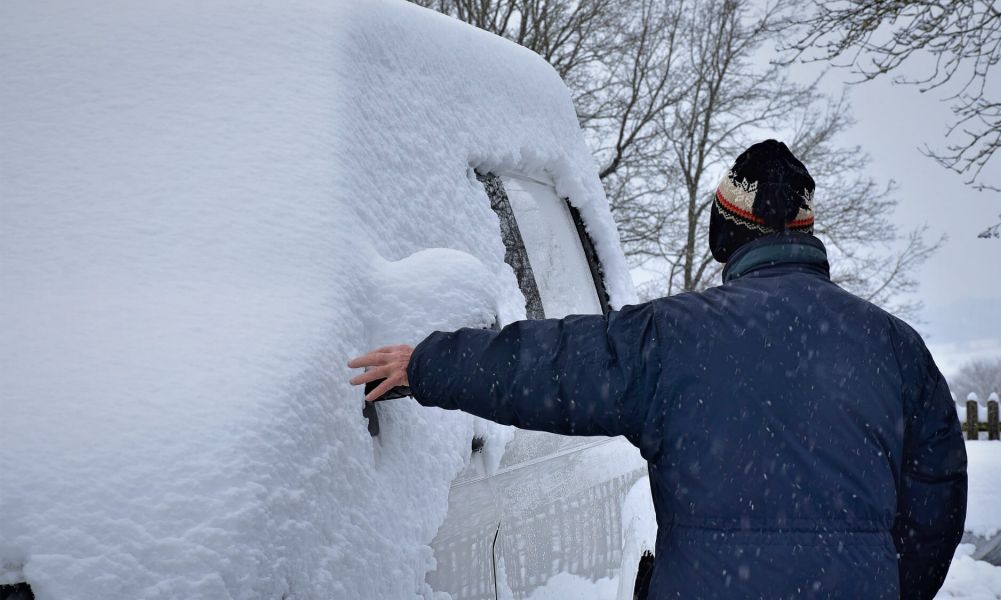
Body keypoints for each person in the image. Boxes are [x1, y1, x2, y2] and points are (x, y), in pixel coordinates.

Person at [348, 140, 967, 599]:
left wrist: (428, 364)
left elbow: (551, 365)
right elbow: (936, 506)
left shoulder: (673, 336)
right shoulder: (896, 348)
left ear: (726, 234)